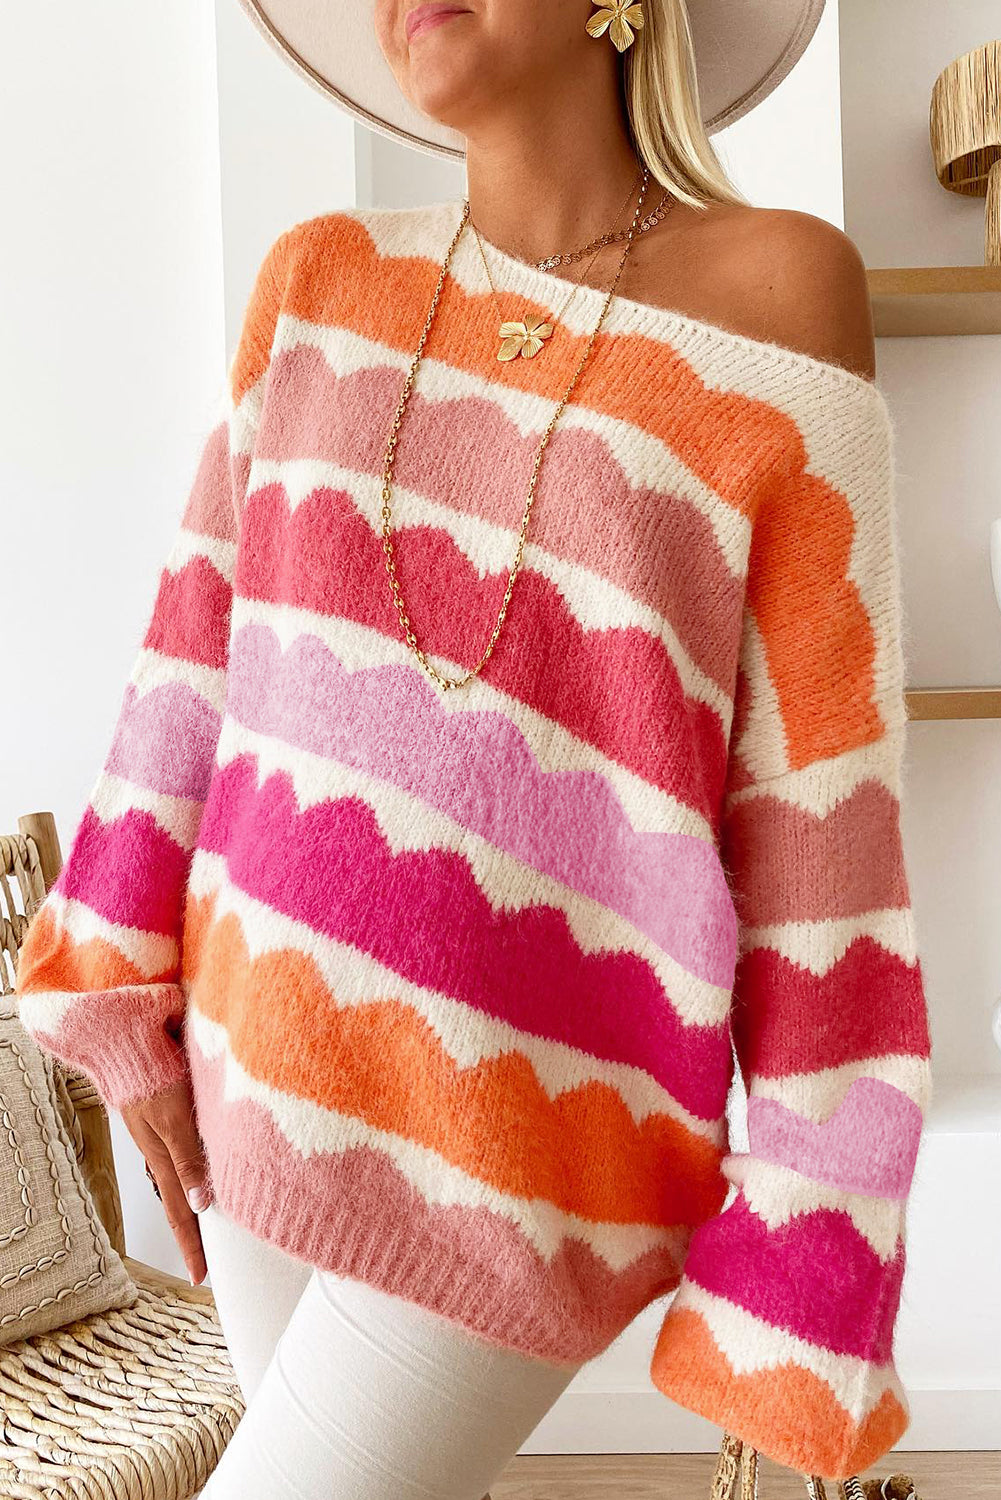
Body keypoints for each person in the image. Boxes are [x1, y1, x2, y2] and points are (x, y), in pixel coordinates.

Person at [16, 1, 933, 1496]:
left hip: (533, 1151)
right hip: (255, 1080)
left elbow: (822, 821)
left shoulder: (781, 288)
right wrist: (117, 992)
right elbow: (189, 662)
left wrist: (808, 1243)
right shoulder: (320, 280)